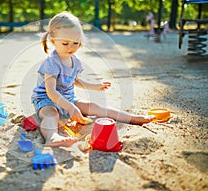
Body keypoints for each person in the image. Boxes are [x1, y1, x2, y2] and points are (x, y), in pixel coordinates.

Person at [31, 11, 155, 147]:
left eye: (75, 43)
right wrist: (71, 108)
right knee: (51, 115)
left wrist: (95, 86)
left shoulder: (75, 61)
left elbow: (74, 81)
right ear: (53, 41)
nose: (71, 47)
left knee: (95, 107)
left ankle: (133, 118)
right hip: (46, 100)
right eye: (65, 43)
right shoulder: (51, 62)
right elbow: (51, 92)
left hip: (68, 98)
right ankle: (52, 137)